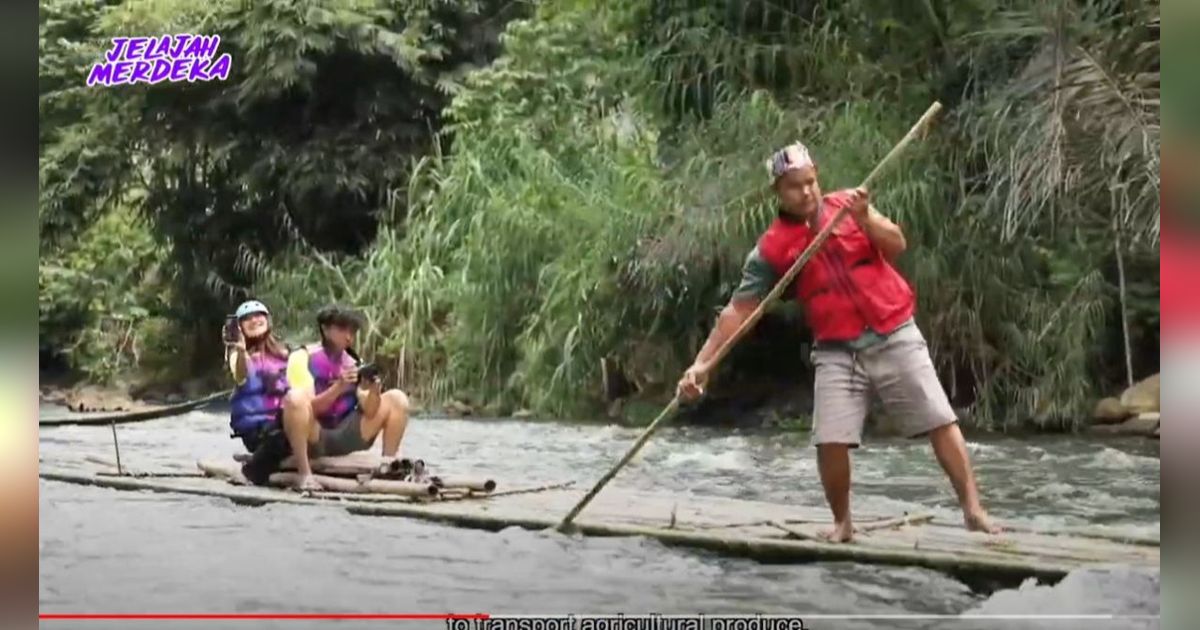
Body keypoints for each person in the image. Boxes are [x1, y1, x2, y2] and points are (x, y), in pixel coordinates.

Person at [676, 141, 999, 542]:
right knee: (829, 439)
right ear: (778, 191)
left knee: (939, 419)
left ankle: (973, 510)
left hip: (893, 332)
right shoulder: (771, 249)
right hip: (836, 348)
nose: (807, 191)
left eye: (811, 181)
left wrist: (866, 220)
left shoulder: (849, 204)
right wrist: (702, 364)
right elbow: (739, 311)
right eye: (795, 186)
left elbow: (896, 244)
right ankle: (843, 522)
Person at [275, 304, 411, 491]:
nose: (348, 337)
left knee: (397, 398)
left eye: (352, 331)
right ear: (325, 328)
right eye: (341, 329)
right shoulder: (302, 357)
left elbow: (370, 410)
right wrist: (338, 388)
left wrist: (374, 391)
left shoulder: (354, 363)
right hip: (315, 434)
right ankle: (305, 474)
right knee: (294, 398)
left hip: (346, 433)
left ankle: (388, 466)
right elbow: (307, 408)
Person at [224, 300, 292, 453]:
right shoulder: (238, 355)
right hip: (258, 430)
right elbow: (240, 375)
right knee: (280, 437)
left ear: (267, 321)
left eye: (258, 316)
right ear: (240, 327)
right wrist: (241, 350)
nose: (254, 320)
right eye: (248, 318)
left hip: (286, 420)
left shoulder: (285, 353)